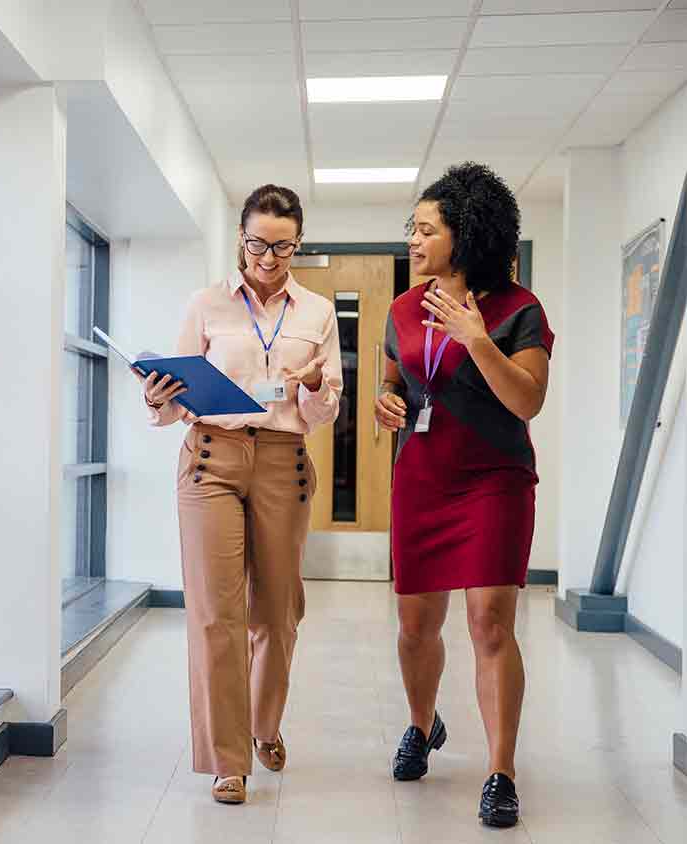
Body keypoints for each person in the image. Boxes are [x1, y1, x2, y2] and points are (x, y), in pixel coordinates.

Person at [139, 185, 342, 804]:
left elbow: (326, 407)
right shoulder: (206, 304)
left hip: (284, 461)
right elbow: (175, 393)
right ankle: (228, 758)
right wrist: (159, 397)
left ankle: (264, 725)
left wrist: (312, 384)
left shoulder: (317, 312)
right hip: (211, 459)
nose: (269, 256)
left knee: (278, 613)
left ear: (297, 244)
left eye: (283, 246)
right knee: (214, 614)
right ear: (241, 240)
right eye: (258, 243)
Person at [375, 162, 553, 829]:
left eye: (426, 230)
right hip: (421, 478)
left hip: (493, 481)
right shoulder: (402, 308)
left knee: (489, 624)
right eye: (412, 229)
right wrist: (384, 403)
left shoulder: (517, 310)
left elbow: (527, 399)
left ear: (466, 234)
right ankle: (422, 726)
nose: (414, 242)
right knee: (416, 627)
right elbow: (394, 383)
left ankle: (500, 771)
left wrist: (477, 338)